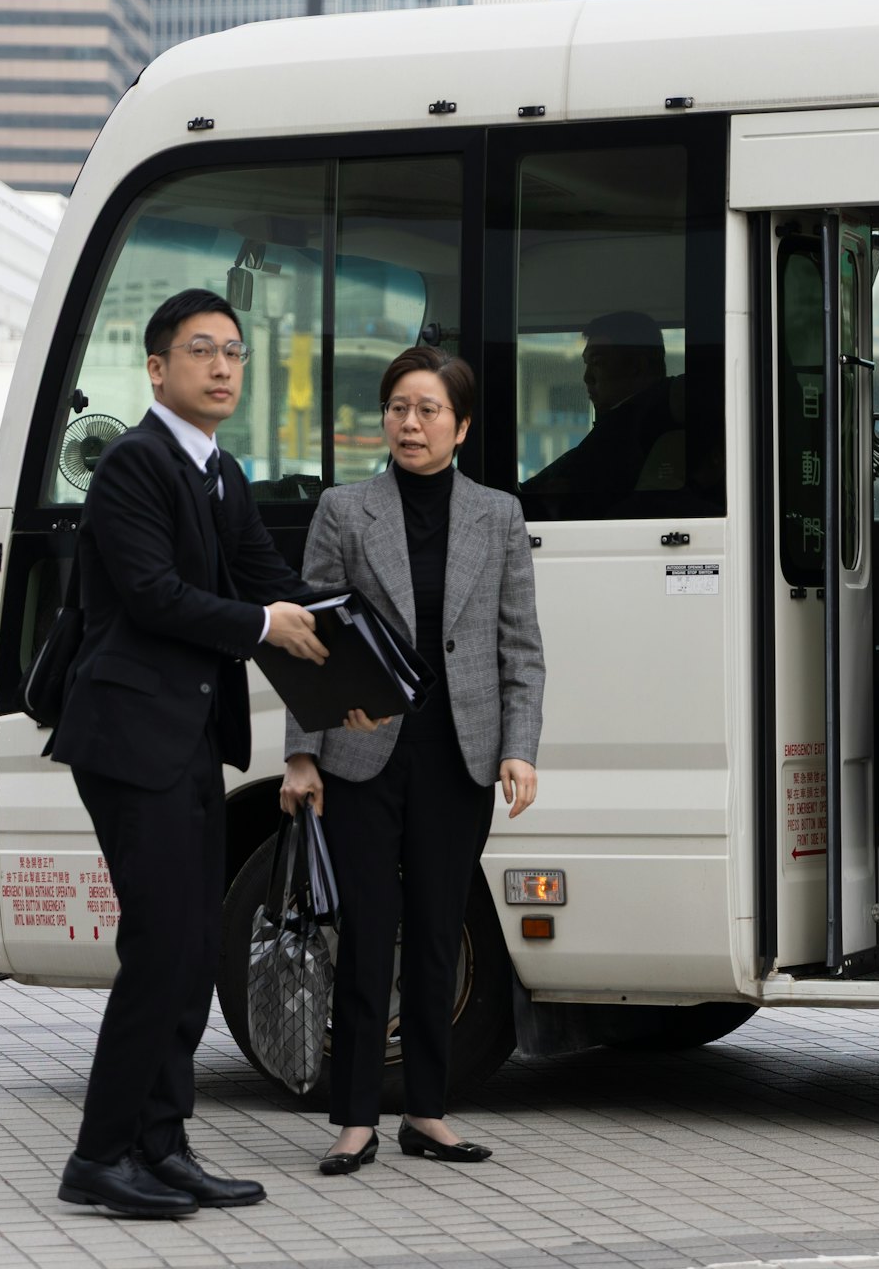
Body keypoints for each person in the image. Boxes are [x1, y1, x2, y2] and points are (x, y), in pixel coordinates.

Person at [50, 288, 329, 1217]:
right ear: (158, 367)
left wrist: (355, 677)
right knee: (163, 948)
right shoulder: (133, 463)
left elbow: (273, 582)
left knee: (188, 948)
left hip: (188, 739)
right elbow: (154, 595)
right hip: (130, 738)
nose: (222, 366)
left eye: (235, 353)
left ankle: (160, 1146)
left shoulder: (222, 471)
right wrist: (265, 624)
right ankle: (100, 1154)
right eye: (202, 349)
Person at [280, 345, 545, 1175]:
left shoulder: (497, 515)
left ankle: (427, 1112)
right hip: (362, 749)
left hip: (457, 755)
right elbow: (310, 641)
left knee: (438, 932)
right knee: (368, 933)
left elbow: (520, 647)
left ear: (460, 426)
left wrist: (519, 749)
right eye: (398, 407)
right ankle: (355, 1117)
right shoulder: (344, 509)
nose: (409, 423)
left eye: (428, 410)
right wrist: (301, 755)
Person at [521, 311, 684, 513]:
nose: (587, 377)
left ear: (637, 366)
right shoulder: (630, 420)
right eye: (586, 363)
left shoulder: (626, 429)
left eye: (597, 362)